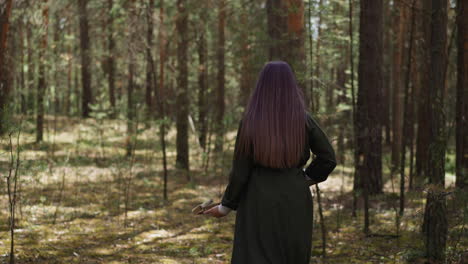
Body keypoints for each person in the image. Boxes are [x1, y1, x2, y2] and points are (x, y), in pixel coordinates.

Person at [203, 61, 337, 264]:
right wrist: (305, 179)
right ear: (291, 86)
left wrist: (226, 206)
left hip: (258, 200)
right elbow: (328, 158)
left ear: (261, 87)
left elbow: (241, 171)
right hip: (295, 199)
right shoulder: (303, 119)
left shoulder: (250, 121)